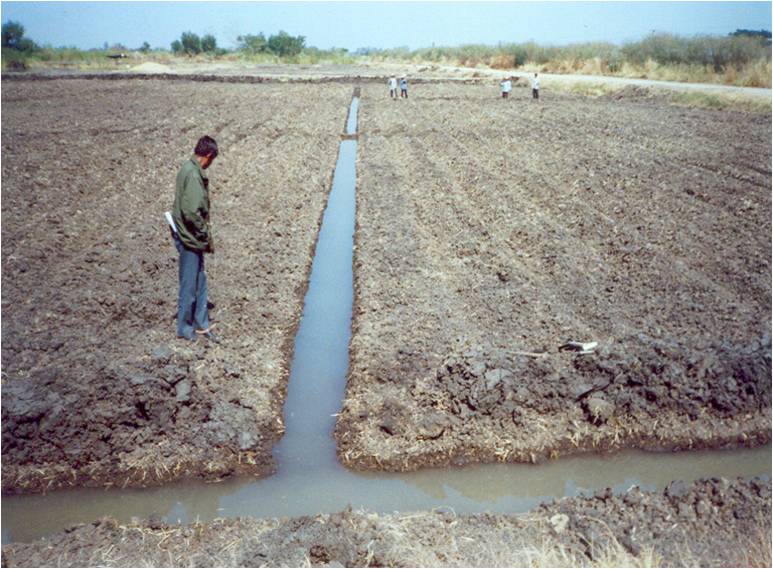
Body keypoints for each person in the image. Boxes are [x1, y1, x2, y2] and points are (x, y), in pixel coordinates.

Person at [171, 135, 219, 343]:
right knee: (189, 284)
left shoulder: (187, 169)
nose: (210, 165)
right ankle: (184, 328)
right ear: (207, 155)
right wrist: (203, 232)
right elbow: (191, 211)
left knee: (200, 280)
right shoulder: (192, 175)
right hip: (190, 238)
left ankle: (201, 323)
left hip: (191, 237)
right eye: (212, 160)